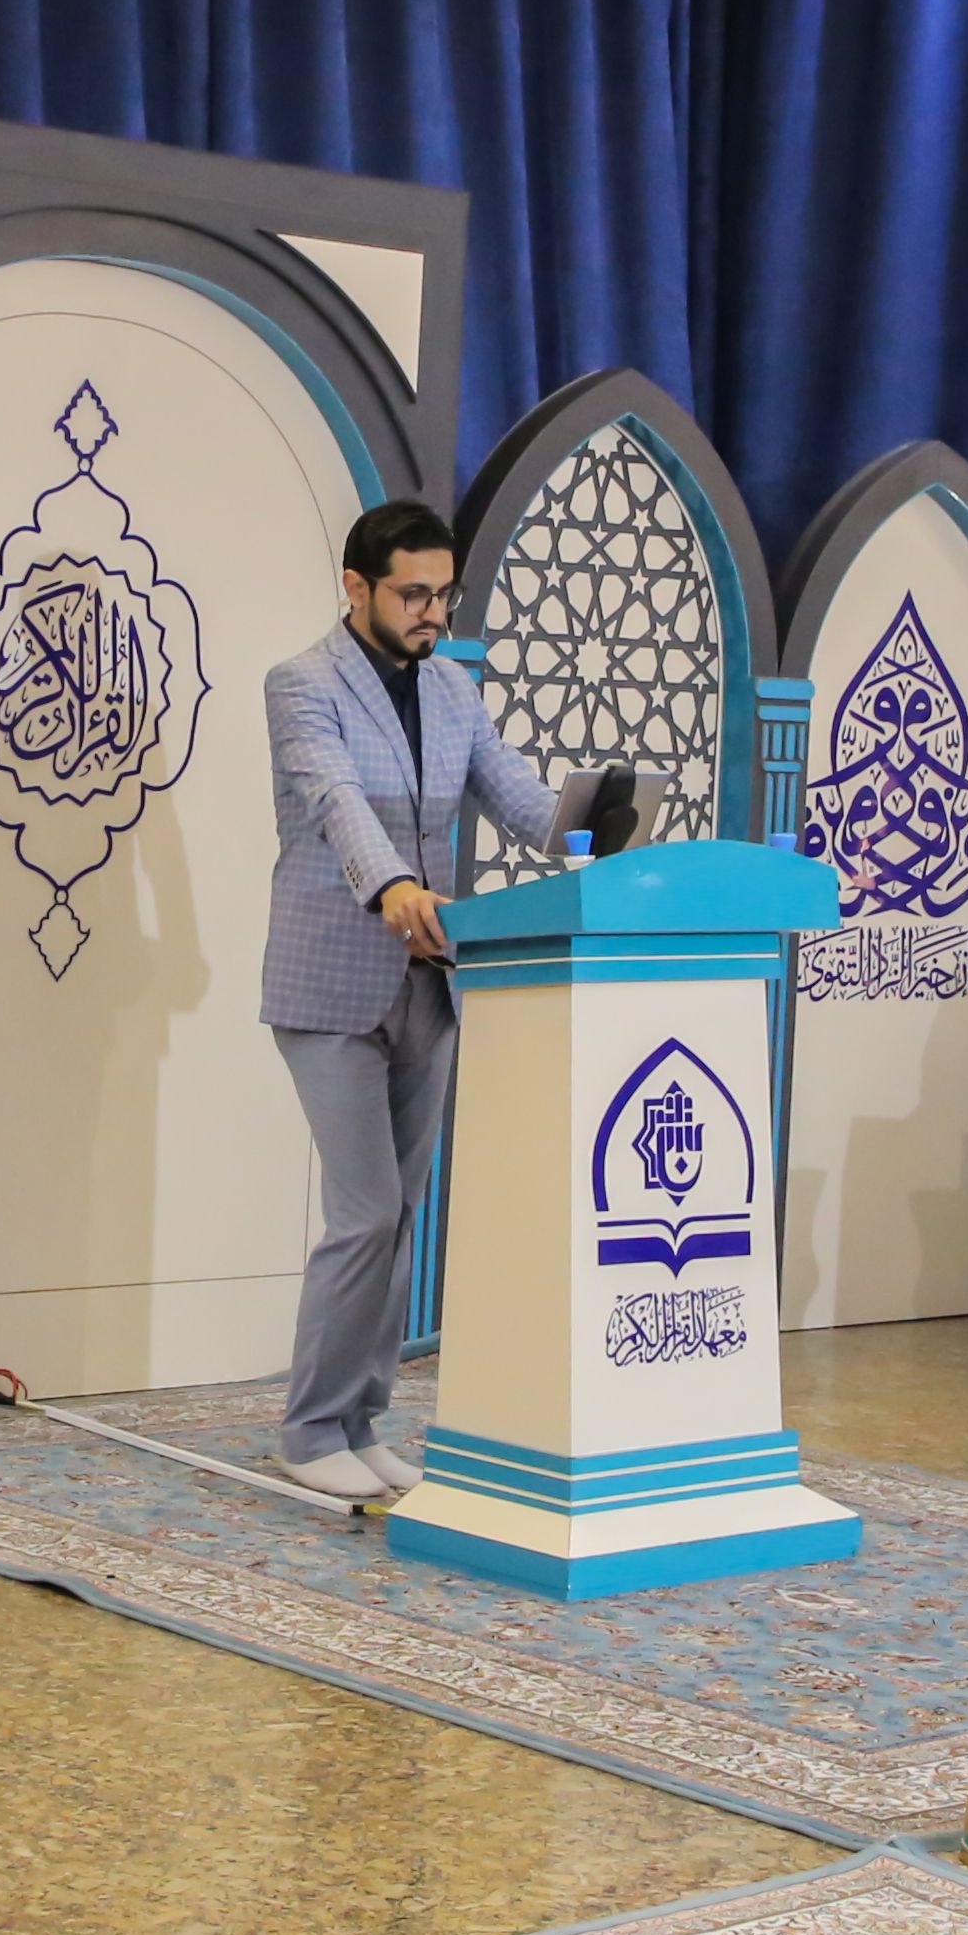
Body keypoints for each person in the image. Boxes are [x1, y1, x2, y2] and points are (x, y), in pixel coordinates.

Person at [259, 497, 611, 1506]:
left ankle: (360, 1421)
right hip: (332, 979)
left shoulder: (454, 690)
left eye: (443, 595)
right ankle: (308, 1428)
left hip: (433, 979)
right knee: (365, 1211)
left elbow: (524, 802)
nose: (432, 612)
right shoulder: (303, 684)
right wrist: (394, 888)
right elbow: (335, 801)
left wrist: (610, 825)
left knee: (402, 1211)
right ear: (356, 586)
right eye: (413, 594)